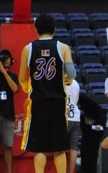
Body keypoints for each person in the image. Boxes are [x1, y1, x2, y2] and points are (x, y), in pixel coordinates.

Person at [19, 13, 77, 173]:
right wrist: (65, 78)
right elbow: (71, 74)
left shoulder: (28, 49)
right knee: (59, 148)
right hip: (58, 103)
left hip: (38, 103)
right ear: (54, 29)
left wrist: (28, 89)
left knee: (40, 148)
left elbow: (22, 78)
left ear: (36, 29)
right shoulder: (63, 47)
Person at [78, 92, 107, 173]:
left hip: (97, 126)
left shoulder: (81, 97)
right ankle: (84, 170)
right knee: (83, 149)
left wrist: (99, 124)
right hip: (87, 128)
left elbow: (98, 109)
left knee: (92, 152)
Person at [66, 78, 81, 173]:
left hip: (65, 116)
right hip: (75, 116)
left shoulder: (61, 81)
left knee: (60, 147)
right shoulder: (76, 83)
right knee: (73, 147)